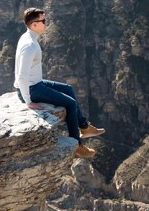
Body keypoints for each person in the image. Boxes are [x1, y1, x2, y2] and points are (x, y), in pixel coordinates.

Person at [14, 8, 104, 158]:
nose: (46, 23)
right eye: (43, 21)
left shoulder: (28, 37)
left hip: (36, 83)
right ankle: (77, 146)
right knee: (70, 103)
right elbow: (21, 75)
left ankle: (84, 127)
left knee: (68, 89)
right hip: (32, 88)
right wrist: (28, 100)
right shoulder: (30, 46)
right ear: (34, 24)